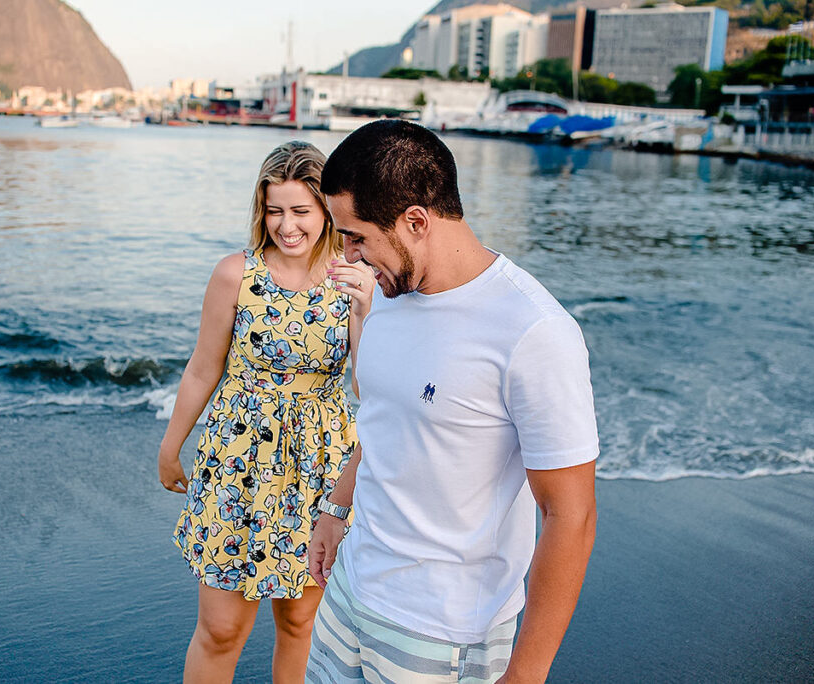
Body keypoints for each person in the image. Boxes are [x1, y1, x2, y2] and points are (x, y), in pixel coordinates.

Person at [306, 121, 599, 684]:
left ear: (416, 221)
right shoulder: (392, 292)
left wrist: (526, 675)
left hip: (441, 635)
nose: (350, 254)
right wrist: (335, 508)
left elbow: (571, 516)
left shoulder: (532, 331)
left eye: (357, 236)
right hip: (348, 592)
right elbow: (385, 420)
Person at [158, 141, 375, 683]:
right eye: (274, 210)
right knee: (222, 628)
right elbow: (203, 369)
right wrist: (170, 445)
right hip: (238, 462)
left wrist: (369, 309)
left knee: (302, 623)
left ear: (326, 209)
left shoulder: (353, 280)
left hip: (318, 466)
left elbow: (370, 387)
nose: (287, 225)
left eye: (300, 210)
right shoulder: (236, 274)